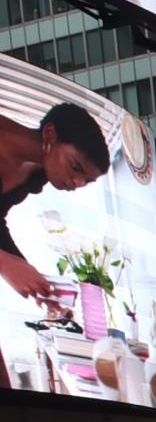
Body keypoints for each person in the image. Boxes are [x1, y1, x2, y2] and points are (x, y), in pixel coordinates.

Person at [0, 101, 110, 312]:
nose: (77, 182)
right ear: (49, 134)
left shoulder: (38, 173)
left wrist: (38, 285)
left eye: (86, 180)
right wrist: (5, 263)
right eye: (76, 167)